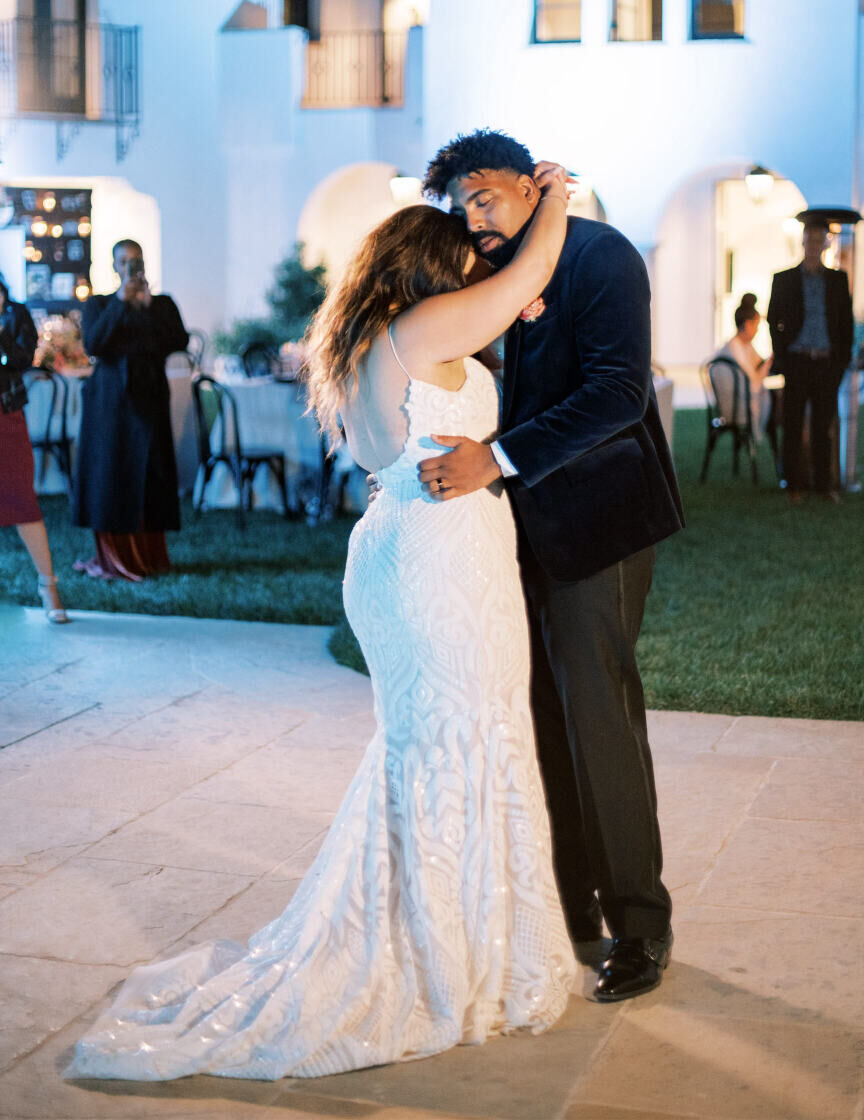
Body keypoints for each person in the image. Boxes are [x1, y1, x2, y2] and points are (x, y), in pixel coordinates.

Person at [68, 167, 579, 1081]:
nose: (477, 268)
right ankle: (441, 956)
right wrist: (552, 199)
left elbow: (506, 321)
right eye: (464, 257)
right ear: (432, 270)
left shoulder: (396, 337)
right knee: (454, 743)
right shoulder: (420, 332)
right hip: (435, 565)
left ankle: (461, 934)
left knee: (455, 742)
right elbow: (529, 271)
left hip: (433, 555)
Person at [418, 130, 684, 1003]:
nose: (475, 218)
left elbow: (617, 394)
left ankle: (641, 924)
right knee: (540, 718)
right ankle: (571, 910)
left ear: (535, 184)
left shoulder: (601, 258)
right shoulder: (499, 271)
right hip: (520, 535)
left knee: (596, 718)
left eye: (485, 197)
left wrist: (496, 459)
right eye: (463, 207)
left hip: (601, 522)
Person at [72, 240, 189, 579]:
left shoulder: (161, 304)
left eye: (135, 260)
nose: (130, 266)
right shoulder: (99, 303)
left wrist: (146, 305)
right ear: (114, 267)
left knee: (151, 473)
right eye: (123, 261)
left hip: (150, 399)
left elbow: (177, 342)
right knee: (111, 474)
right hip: (110, 403)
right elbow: (94, 343)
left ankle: (150, 554)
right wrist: (122, 302)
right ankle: (113, 557)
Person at [767, 216, 854, 503]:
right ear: (803, 242)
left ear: (824, 244)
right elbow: (773, 319)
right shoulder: (785, 279)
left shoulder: (838, 280)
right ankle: (794, 484)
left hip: (827, 363)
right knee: (792, 425)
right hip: (798, 360)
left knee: (823, 425)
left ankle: (823, 485)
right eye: (810, 240)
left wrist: (841, 361)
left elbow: (845, 324)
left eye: (819, 240)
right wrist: (782, 355)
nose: (814, 245)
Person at [0, 276, 69, 623]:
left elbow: (21, 360)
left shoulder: (14, 313)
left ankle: (48, 587)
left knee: (21, 499)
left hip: (6, 414)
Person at [714, 293, 773, 438]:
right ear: (747, 325)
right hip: (734, 406)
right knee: (777, 402)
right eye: (756, 326)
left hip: (736, 401)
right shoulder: (735, 349)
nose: (757, 330)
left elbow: (758, 365)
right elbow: (751, 383)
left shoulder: (743, 345)